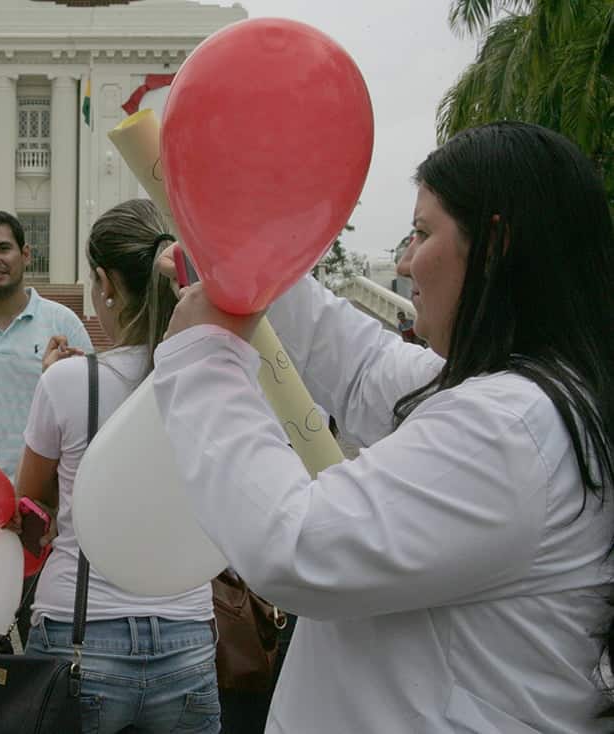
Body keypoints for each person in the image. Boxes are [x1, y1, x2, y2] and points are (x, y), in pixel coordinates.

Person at [153, 121, 614, 732]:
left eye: (423, 233)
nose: (403, 260)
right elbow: (365, 365)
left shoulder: (509, 430)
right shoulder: (536, 399)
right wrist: (242, 259)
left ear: (495, 245)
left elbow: (293, 545)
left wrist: (203, 355)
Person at [16, 199, 219, 733]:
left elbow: (30, 505)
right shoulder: (213, 381)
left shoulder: (67, 382)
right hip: (188, 630)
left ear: (104, 282)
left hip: (81, 630)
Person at [0, 208, 93, 725]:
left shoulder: (61, 324)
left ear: (26, 254)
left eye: (3, 248)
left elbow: (83, 412)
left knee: (46, 657)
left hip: (43, 519)